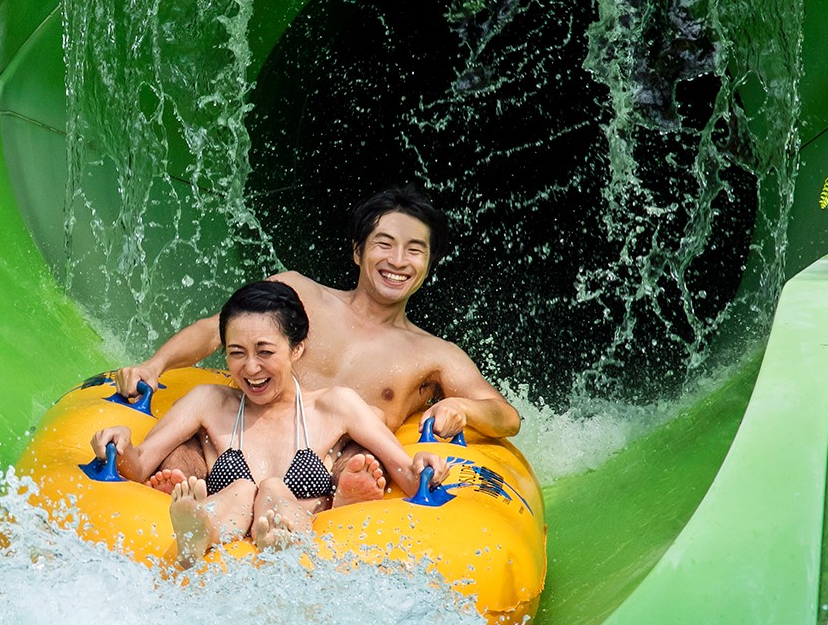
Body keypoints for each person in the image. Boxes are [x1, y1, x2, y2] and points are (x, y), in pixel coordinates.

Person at [110, 188, 522, 505]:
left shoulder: (434, 354)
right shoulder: (297, 291)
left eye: (415, 250)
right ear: (358, 251)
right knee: (186, 447)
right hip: (243, 444)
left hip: (327, 462)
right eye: (384, 243)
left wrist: (463, 408)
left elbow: (505, 416)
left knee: (361, 461)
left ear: (428, 264)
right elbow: (216, 330)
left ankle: (342, 495)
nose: (397, 260)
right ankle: (184, 491)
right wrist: (155, 364)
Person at [92, 280, 446, 566]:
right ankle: (200, 532)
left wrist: (424, 464)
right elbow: (137, 466)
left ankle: (293, 533)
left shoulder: (334, 405)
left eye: (265, 352)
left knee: (275, 488)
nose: (250, 368)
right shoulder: (209, 402)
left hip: (302, 528)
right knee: (244, 489)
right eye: (236, 353)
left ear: (297, 349)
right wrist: (119, 443)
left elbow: (409, 474)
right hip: (225, 519)